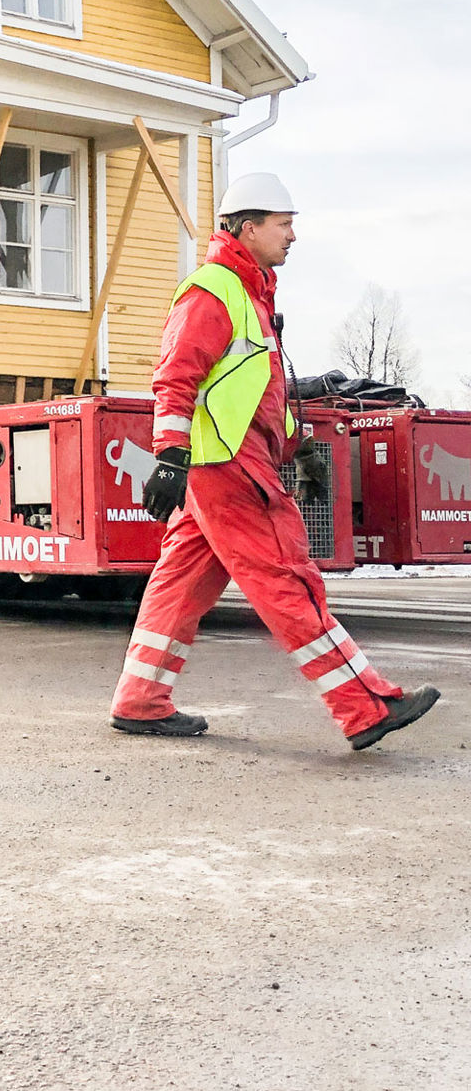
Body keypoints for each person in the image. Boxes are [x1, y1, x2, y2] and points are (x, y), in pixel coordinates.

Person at [109, 172, 440, 750]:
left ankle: (140, 701)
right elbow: (175, 378)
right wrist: (168, 455)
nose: (293, 236)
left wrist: (301, 448)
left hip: (224, 464)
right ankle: (364, 707)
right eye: (284, 225)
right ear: (248, 227)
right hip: (229, 468)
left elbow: (259, 394)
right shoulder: (214, 290)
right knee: (288, 579)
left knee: (179, 586)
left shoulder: (252, 295)